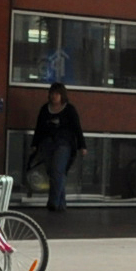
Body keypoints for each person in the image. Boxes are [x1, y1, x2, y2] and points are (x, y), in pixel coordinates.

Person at [33, 83, 84, 212]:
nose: (54, 96)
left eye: (57, 94)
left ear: (62, 95)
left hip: (63, 143)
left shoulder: (69, 109)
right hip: (47, 143)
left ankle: (53, 202)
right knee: (53, 172)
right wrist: (35, 144)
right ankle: (61, 204)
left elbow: (77, 128)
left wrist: (81, 145)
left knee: (57, 170)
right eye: (52, 93)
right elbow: (39, 128)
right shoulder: (45, 109)